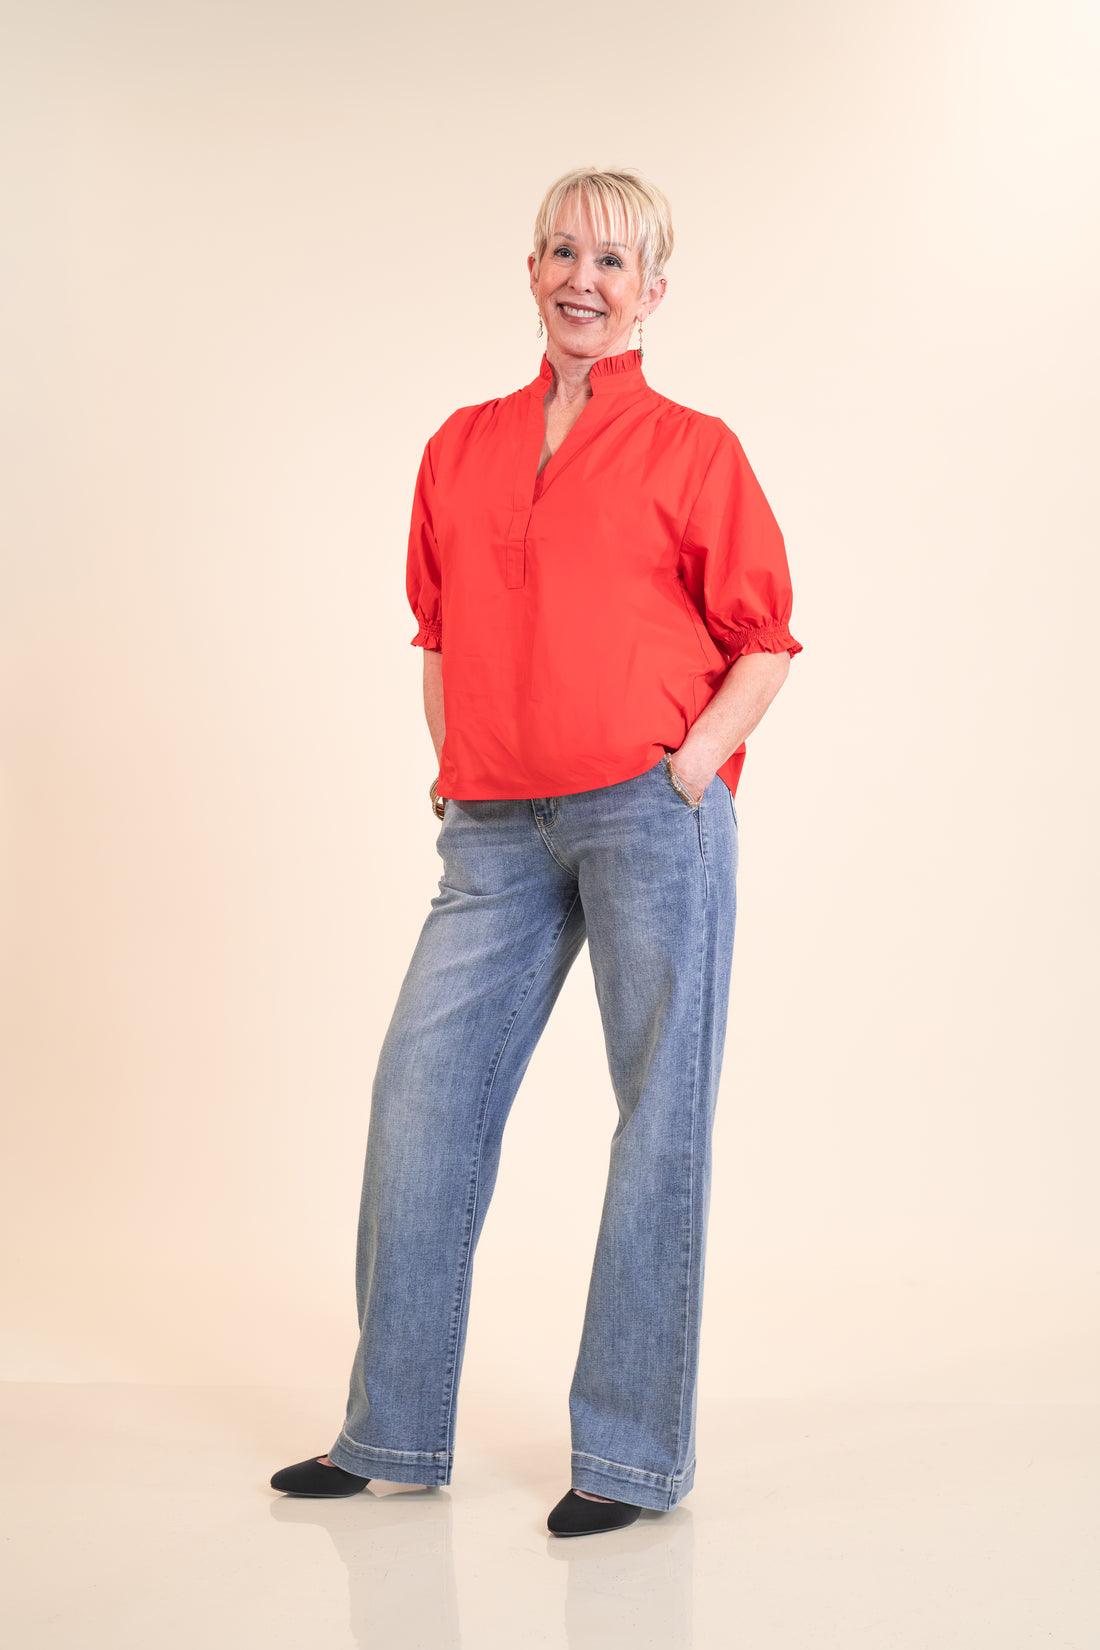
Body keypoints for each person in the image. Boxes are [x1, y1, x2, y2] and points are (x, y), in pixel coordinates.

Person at [271, 166, 802, 1537]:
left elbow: (764, 639)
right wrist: (455, 767)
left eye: (614, 262)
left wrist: (691, 767)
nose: (584, 279)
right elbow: (440, 629)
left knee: (658, 1120)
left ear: (653, 293)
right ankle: (390, 1431)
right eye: (564, 252)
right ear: (531, 270)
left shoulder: (694, 449)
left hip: (647, 814)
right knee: (421, 1100)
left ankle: (627, 1458)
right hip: (495, 828)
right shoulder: (461, 445)